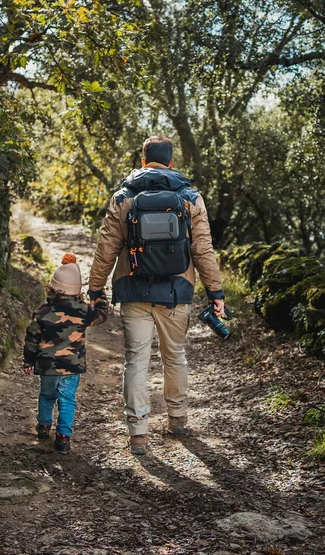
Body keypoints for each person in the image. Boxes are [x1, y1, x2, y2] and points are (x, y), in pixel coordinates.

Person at [88, 136, 224, 455]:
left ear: (142, 159)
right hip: (176, 291)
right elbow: (202, 249)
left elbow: (106, 248)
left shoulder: (123, 197)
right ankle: (177, 419)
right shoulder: (190, 197)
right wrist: (215, 291)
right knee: (174, 354)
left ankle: (138, 433)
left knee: (136, 359)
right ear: (171, 162)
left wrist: (95, 290)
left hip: (133, 290)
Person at [23, 253, 108, 452]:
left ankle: (44, 426)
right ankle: (63, 436)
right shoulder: (84, 310)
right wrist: (100, 297)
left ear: (52, 287)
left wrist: (28, 361)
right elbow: (102, 315)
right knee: (67, 400)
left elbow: (31, 338)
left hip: (47, 366)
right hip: (71, 367)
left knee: (46, 396)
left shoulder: (42, 312)